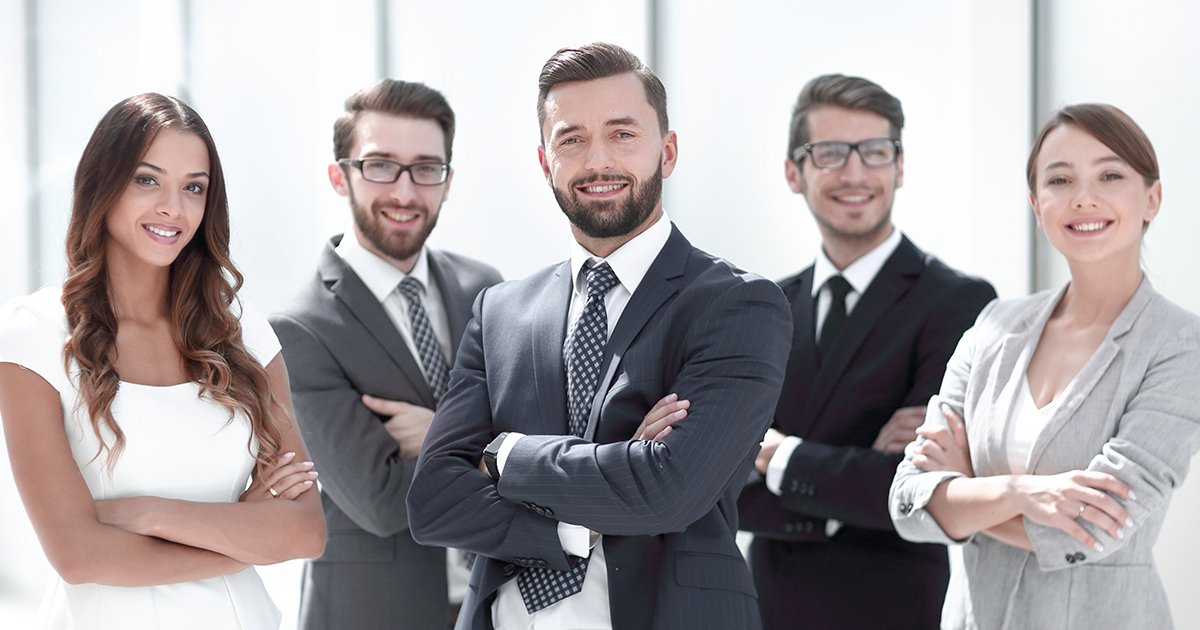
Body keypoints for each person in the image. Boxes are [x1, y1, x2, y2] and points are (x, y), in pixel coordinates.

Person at [407, 42, 793, 630]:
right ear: (545, 163)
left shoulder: (737, 303)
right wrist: (579, 516)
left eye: (622, 134)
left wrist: (502, 454)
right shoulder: (500, 311)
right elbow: (432, 501)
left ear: (667, 152)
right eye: (572, 139)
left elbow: (670, 489)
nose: (598, 160)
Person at [0, 93, 326, 630]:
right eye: (147, 180)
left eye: (193, 187)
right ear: (101, 186)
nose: (173, 208)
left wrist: (146, 513)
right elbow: (78, 556)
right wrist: (247, 535)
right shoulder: (34, 335)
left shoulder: (243, 335)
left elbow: (304, 531)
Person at [890, 103, 1200, 629]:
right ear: (1038, 205)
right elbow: (908, 505)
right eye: (1060, 179)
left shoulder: (1180, 346)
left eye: (1110, 174)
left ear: (1153, 199)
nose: (1083, 197)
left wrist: (964, 491)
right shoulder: (994, 327)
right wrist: (1022, 494)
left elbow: (1096, 527)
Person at [736, 74, 995, 629]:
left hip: (892, 610)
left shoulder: (958, 302)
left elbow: (915, 490)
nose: (855, 173)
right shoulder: (766, 307)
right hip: (768, 608)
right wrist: (851, 482)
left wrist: (775, 455)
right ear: (793, 172)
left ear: (900, 167)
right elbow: (723, 489)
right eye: (830, 153)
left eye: (875, 152)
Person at [270, 79, 502, 630]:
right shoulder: (300, 327)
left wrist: (440, 432)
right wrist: (492, 446)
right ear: (340, 176)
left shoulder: (485, 290)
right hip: (374, 610)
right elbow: (377, 500)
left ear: (448, 182)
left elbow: (548, 428)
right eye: (380, 166)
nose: (404, 191)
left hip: (493, 603)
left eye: (426, 168)